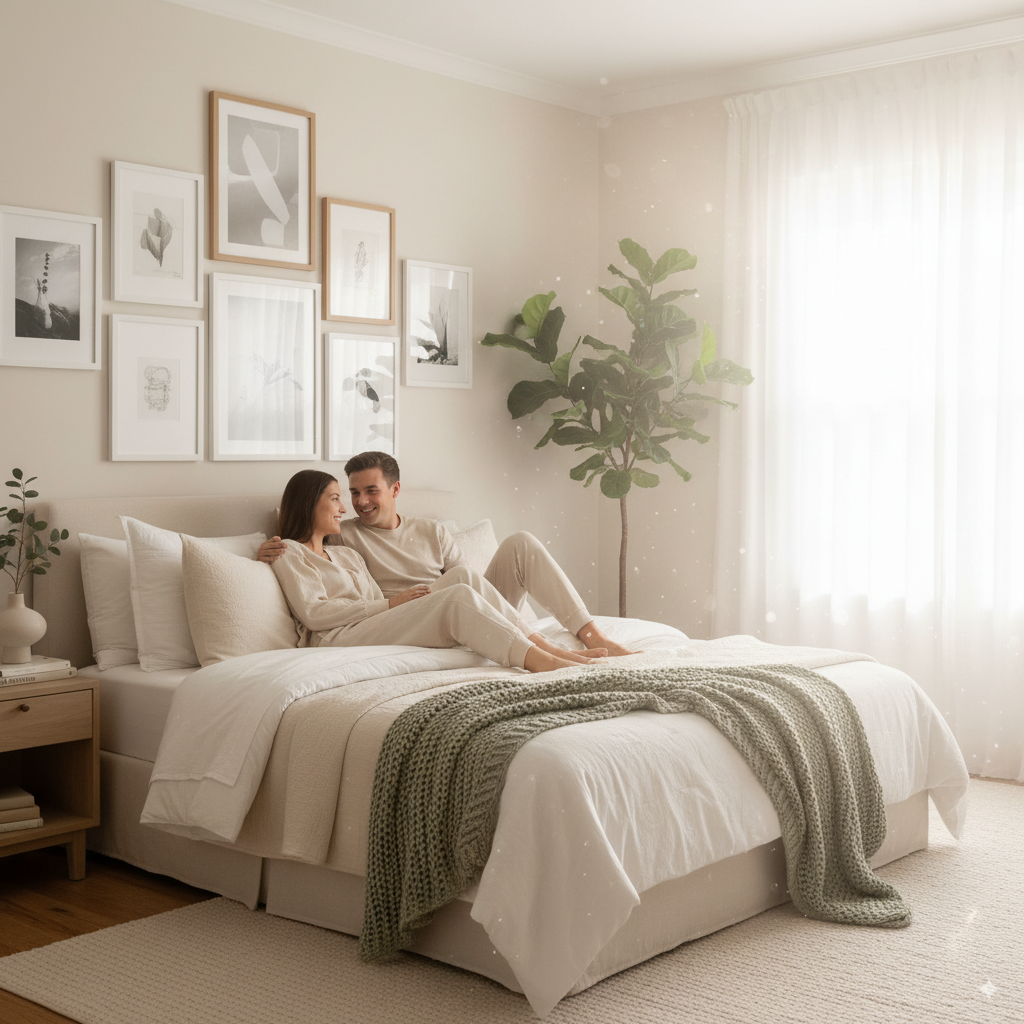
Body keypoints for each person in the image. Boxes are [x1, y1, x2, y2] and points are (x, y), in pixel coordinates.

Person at [259, 452, 635, 657]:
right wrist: (267, 547)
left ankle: (589, 634)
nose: (358, 503)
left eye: (369, 491)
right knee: (459, 587)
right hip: (410, 616)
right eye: (351, 494)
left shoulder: (432, 530)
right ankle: (544, 651)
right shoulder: (345, 538)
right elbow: (307, 542)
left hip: (469, 603)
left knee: (518, 544)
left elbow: (469, 581)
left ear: (395, 490)